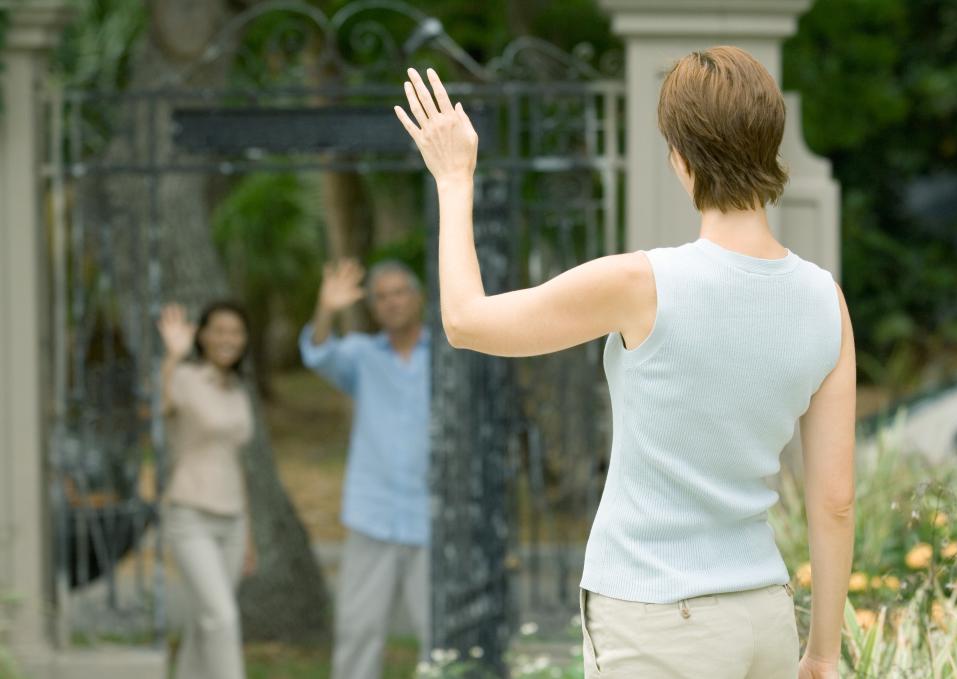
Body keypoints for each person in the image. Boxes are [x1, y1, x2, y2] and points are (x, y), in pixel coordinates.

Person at [395, 47, 854, 679]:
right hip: (764, 615)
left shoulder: (643, 284)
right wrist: (823, 652)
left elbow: (467, 322)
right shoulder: (824, 299)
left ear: (681, 157)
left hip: (655, 616)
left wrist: (453, 179)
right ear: (770, 144)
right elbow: (834, 500)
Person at [299, 259, 430, 679]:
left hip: (432, 517)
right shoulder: (360, 355)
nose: (391, 303)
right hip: (372, 515)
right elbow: (318, 353)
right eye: (381, 297)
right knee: (358, 631)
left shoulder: (448, 356)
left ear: (418, 298)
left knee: (440, 635)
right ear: (373, 308)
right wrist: (326, 309)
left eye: (399, 292)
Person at [158, 301, 257, 679]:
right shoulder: (184, 377)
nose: (228, 339)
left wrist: (247, 533)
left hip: (232, 520)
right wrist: (171, 358)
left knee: (205, 622)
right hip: (191, 515)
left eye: (236, 332)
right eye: (220, 330)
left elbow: (237, 462)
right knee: (222, 617)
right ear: (203, 335)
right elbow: (159, 406)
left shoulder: (237, 389)